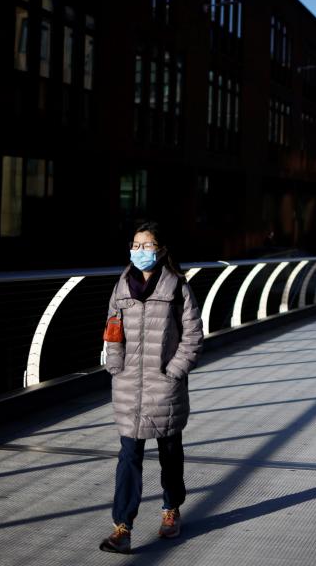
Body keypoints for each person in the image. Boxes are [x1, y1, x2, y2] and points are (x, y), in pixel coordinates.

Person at [100, 222, 204, 554]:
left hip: (165, 386)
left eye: (147, 246)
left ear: (160, 250)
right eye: (136, 245)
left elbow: (193, 335)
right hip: (130, 385)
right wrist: (115, 364)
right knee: (128, 455)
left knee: (169, 453)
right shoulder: (122, 286)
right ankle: (122, 527)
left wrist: (174, 371)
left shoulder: (177, 287)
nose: (140, 251)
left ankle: (171, 509)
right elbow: (112, 329)